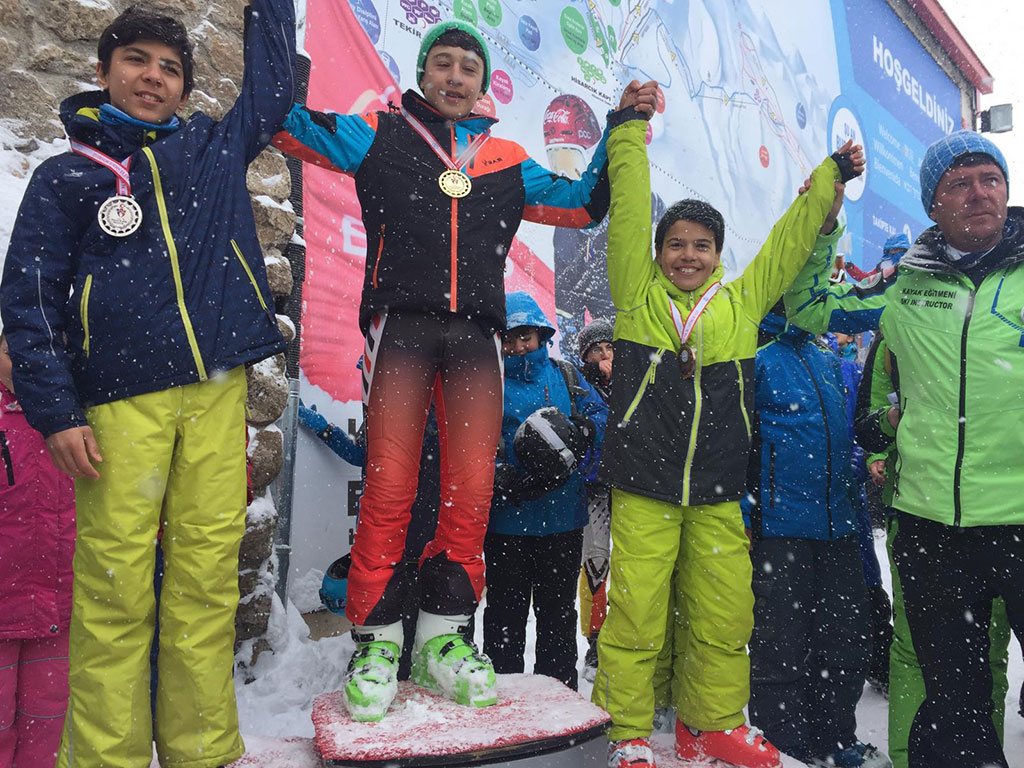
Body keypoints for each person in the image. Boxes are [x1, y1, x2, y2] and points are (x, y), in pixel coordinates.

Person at [273, 19, 652, 722]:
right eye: (441, 63)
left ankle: (443, 639)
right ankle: (378, 641)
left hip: (478, 337)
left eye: (467, 68)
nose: (454, 76)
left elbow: (581, 203)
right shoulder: (379, 133)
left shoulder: (505, 159)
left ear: (481, 85)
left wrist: (622, 126)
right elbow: (287, 127)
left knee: (470, 492)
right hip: (401, 330)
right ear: (423, 74)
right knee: (390, 484)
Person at [0, 2, 294, 765]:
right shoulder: (66, 177)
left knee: (205, 581)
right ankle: (108, 757)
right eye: (136, 59)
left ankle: (201, 750)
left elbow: (273, 89)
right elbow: (30, 300)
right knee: (114, 590)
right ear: (103, 73)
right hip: (118, 402)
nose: (153, 76)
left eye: (170, 67)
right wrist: (56, 412)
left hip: (216, 392)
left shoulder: (214, 148)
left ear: (185, 89)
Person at [593, 84, 864, 768]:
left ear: (718, 254)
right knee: (636, 613)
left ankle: (708, 724)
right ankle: (628, 731)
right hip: (645, 485)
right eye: (675, 245)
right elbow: (628, 214)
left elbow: (787, 244)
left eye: (702, 245)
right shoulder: (636, 298)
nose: (687, 256)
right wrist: (628, 129)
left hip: (716, 489)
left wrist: (829, 177)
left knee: (722, 612)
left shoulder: (742, 306)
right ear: (657, 253)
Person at [783, 130, 1023, 768]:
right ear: (932, 205)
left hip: (1021, 516)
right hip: (932, 525)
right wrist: (823, 228)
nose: (978, 193)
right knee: (954, 704)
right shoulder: (903, 283)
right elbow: (808, 309)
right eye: (959, 183)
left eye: (990, 179)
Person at [854, 332, 1010, 768]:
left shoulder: (1004, 318)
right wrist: (879, 450)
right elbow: (872, 416)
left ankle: (981, 757)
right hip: (920, 514)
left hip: (1001, 517)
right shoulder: (899, 324)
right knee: (916, 650)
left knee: (987, 652)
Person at [742, 307, 889, 768]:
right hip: (779, 527)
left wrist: (855, 468)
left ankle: (835, 741)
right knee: (779, 646)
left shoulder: (825, 356)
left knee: (845, 640)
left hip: (838, 525)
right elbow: (734, 440)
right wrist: (746, 512)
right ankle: (785, 747)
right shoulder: (755, 355)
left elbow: (844, 432)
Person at [485, 292, 607, 690]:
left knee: (558, 618)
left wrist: (586, 430)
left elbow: (601, 418)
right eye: (511, 338)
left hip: (562, 521)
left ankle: (559, 697)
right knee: (504, 618)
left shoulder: (566, 375)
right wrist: (497, 476)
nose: (520, 346)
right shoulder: (488, 380)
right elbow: (467, 439)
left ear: (541, 336)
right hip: (506, 522)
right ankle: (503, 699)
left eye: (527, 337)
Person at [298, 400, 444, 681]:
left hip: (417, 541)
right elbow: (361, 455)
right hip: (380, 542)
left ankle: (406, 681)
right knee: (379, 619)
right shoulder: (384, 406)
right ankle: (383, 677)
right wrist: (323, 428)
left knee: (412, 624)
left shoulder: (438, 410)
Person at [0, 334, 76, 768]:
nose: (29, 362)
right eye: (12, 351)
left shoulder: (74, 415)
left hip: (57, 607)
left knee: (48, 723)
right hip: (3, 604)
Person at [575, 317, 613, 681]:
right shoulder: (578, 387)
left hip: (632, 487)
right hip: (594, 488)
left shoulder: (635, 381)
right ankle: (596, 641)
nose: (604, 355)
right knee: (595, 566)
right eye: (596, 350)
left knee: (635, 565)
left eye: (609, 347)